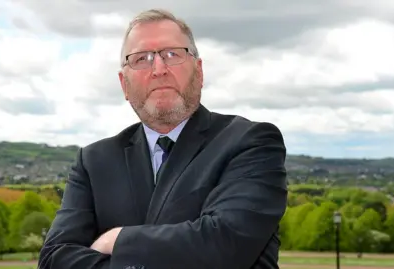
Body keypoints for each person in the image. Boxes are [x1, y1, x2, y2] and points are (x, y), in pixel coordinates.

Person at [38, 8, 288, 269]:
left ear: (199, 72)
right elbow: (54, 259)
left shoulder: (251, 142)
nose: (159, 69)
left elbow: (225, 246)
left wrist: (119, 240)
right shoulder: (94, 162)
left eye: (172, 54)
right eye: (141, 59)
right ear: (124, 84)